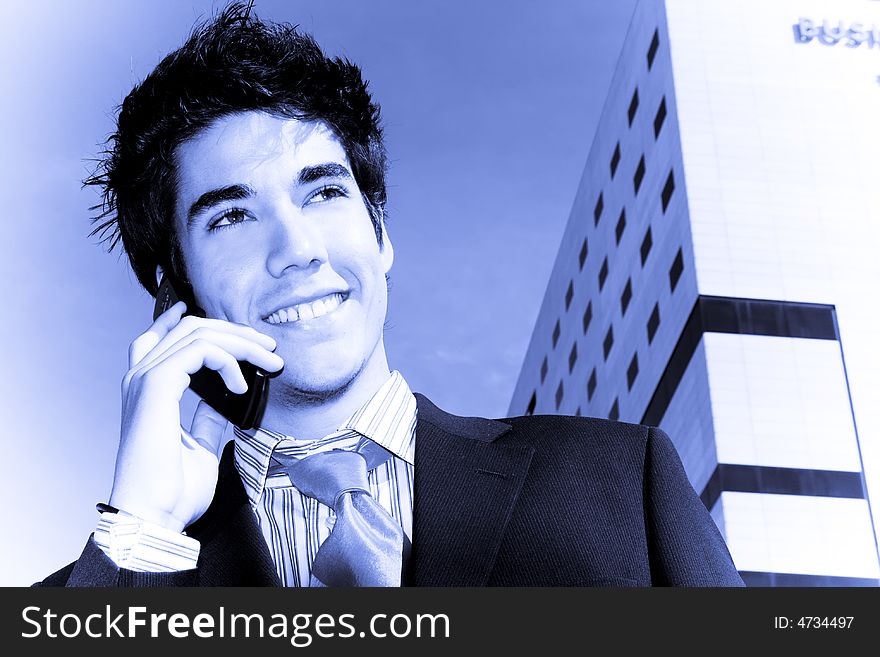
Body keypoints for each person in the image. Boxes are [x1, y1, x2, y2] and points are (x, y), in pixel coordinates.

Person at [37, 4, 743, 587]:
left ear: (381, 235)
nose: (299, 249)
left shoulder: (621, 484)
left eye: (323, 192)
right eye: (231, 216)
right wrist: (142, 533)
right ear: (174, 295)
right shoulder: (113, 571)